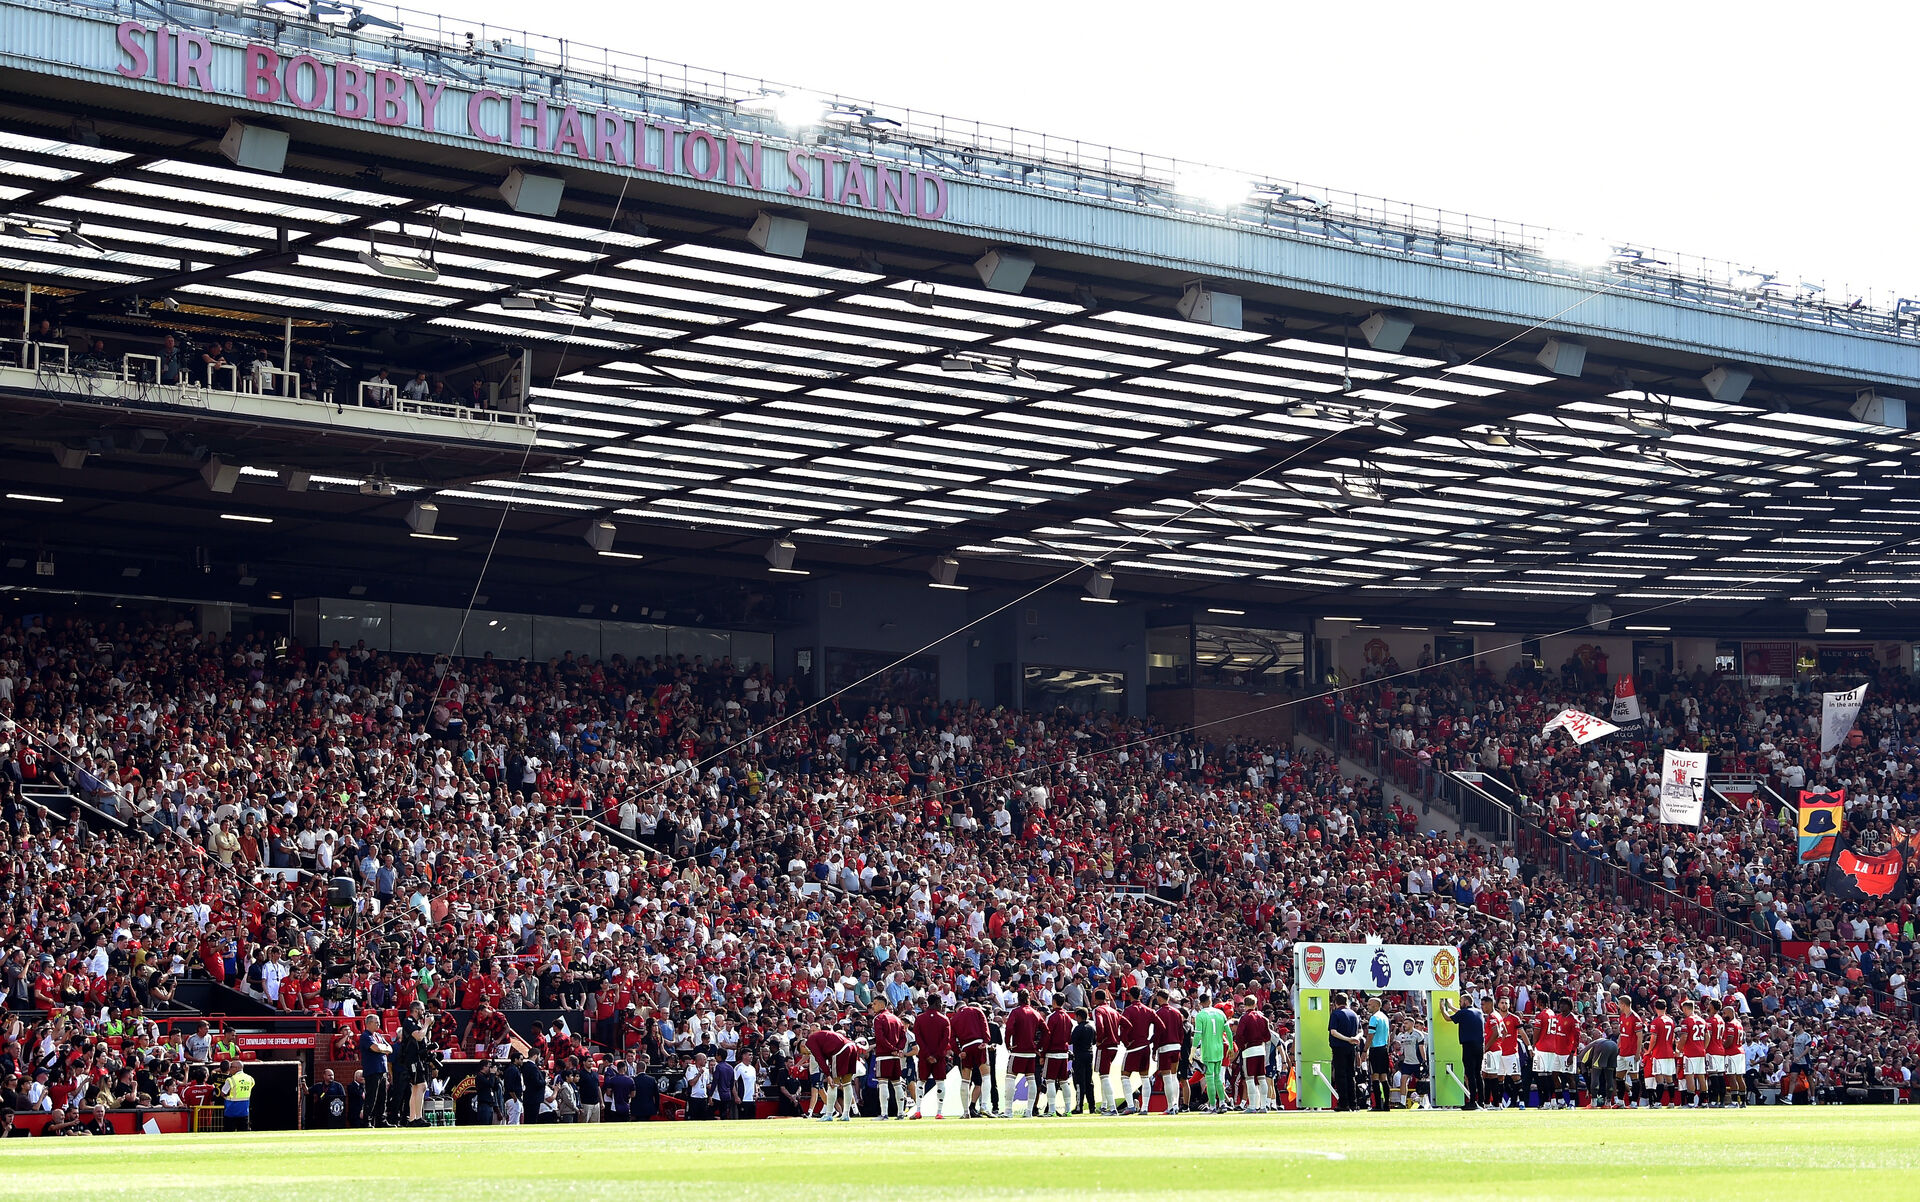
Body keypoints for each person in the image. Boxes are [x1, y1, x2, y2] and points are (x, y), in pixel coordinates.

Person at [804, 1023, 857, 1122]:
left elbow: (820, 1059)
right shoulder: (823, 1036)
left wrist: (828, 1075)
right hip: (852, 1046)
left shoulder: (810, 1041)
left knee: (833, 1083)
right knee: (847, 1083)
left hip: (840, 1050)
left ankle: (828, 1114)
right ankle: (846, 1114)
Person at [910, 994, 951, 1120]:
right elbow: (945, 1040)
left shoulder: (920, 1019)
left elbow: (918, 1038)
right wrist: (937, 1055)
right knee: (940, 1082)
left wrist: (927, 1054)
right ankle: (939, 1112)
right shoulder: (944, 1020)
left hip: (924, 1056)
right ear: (937, 1003)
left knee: (921, 1081)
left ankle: (918, 1110)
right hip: (939, 1057)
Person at [1439, 993, 1483, 1110]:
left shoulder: (1463, 1013)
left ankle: (1473, 1102)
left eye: (1461, 1001)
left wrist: (1443, 1008)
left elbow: (1448, 1018)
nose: (1459, 1003)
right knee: (1478, 1074)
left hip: (1468, 1046)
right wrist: (1452, 1006)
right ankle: (1482, 1101)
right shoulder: (1478, 1012)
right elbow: (1461, 1013)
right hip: (1479, 1046)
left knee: (1470, 1074)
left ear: (1466, 1002)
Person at [949, 994, 990, 1119]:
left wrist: (958, 1051)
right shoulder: (976, 1010)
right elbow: (985, 1025)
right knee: (986, 1075)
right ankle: (984, 1105)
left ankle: (966, 1111)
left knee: (966, 1080)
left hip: (965, 1048)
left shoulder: (954, 1019)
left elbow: (951, 1039)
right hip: (978, 1044)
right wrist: (986, 1041)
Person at [1191, 992, 1232, 1114]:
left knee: (1210, 1078)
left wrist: (1193, 1051)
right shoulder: (1220, 1013)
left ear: (1201, 1003)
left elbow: (1198, 1034)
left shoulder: (1200, 1015)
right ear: (1210, 1001)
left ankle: (1213, 1106)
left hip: (1208, 1049)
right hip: (1219, 1049)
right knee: (1218, 1078)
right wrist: (1230, 1046)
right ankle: (1223, 1103)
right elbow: (1228, 1031)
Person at [870, 997, 910, 1120]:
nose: (873, 1006)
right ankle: (901, 1113)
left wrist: (891, 1048)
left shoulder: (878, 1018)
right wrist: (898, 1049)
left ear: (882, 1005)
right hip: (895, 1056)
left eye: (875, 1003)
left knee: (883, 1083)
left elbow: (880, 1038)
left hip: (884, 1055)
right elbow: (904, 1037)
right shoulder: (897, 1019)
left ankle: (884, 1113)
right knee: (897, 1084)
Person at [1121, 986, 1158, 1115]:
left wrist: (1126, 1042)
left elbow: (1123, 1027)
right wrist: (1150, 1040)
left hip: (1133, 1048)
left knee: (1125, 1076)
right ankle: (1145, 1108)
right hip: (1145, 1046)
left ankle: (1131, 1105)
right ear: (1140, 996)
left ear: (1130, 996)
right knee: (1144, 1076)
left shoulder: (1128, 1010)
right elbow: (1161, 1027)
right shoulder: (1149, 1010)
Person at [1234, 995, 1274, 1113]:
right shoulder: (1263, 1018)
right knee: (1262, 1078)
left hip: (1249, 1050)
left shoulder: (1244, 1018)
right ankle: (1263, 1106)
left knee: (1250, 1078)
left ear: (1245, 1004)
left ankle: (1252, 1106)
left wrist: (1242, 1045)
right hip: (1261, 1049)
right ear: (1255, 1004)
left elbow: (1240, 1034)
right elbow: (1268, 1036)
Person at [1152, 990, 1186, 1117]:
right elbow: (1181, 1031)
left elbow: (1158, 1033)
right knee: (1174, 1076)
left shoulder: (1159, 1013)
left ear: (1160, 998)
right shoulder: (1177, 1012)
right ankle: (1175, 1105)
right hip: (1176, 1046)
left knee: (1167, 1078)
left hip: (1164, 1047)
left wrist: (1154, 1049)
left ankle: (1170, 1106)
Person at [1092, 988, 1125, 1115]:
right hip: (1115, 1046)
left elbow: (1100, 1025)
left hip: (1105, 1046)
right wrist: (1121, 1038)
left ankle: (1112, 1108)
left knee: (1103, 1076)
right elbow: (1126, 1024)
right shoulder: (1113, 1010)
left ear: (1096, 999)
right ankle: (1105, 1105)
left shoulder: (1098, 1010)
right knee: (1104, 1076)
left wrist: (1099, 1039)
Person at [1042, 994, 1076, 1117]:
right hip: (1064, 1053)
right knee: (1064, 1081)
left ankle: (1051, 1110)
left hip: (1052, 1053)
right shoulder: (1068, 1018)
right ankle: (1068, 1110)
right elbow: (1069, 1037)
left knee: (1050, 1081)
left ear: (1054, 1001)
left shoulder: (1051, 1017)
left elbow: (1047, 1037)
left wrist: (1043, 1053)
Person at [1328, 992, 1362, 1113]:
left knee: (1340, 1075)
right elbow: (1360, 1031)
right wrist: (1355, 1038)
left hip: (1339, 1046)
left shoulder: (1336, 1014)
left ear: (1336, 1002)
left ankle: (1343, 1103)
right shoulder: (1354, 1014)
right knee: (1351, 1075)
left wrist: (1347, 1039)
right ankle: (1353, 1103)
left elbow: (1333, 1032)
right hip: (1351, 1047)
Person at [358, 1019, 392, 1127]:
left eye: (378, 1022)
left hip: (382, 1070)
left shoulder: (378, 1035)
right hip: (372, 1070)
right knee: (371, 1097)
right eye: (376, 1022)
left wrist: (381, 1048)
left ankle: (381, 1120)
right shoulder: (365, 1036)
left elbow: (390, 1048)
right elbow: (375, 1048)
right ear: (368, 1023)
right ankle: (366, 1121)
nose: (379, 1024)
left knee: (383, 1098)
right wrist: (382, 1048)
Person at [1646, 997, 1679, 1109]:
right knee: (1669, 1079)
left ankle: (1658, 1103)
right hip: (1669, 1052)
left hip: (1659, 1053)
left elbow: (1653, 1038)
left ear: (1655, 1008)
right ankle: (1672, 1102)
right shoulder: (1671, 1021)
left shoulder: (1656, 1021)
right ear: (1665, 1008)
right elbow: (1673, 1037)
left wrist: (1649, 1051)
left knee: (1659, 1079)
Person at [1364, 996, 1393, 1112]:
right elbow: (1388, 1035)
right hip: (1384, 1048)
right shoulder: (1385, 1017)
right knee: (1384, 1077)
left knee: (1375, 1076)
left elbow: (1370, 1035)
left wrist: (1364, 1050)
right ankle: (1386, 1104)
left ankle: (1378, 1105)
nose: (1367, 1006)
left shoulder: (1374, 1018)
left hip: (1376, 1049)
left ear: (1375, 1006)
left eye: (1369, 1005)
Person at [1070, 1006, 1098, 1115]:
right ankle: (1092, 1106)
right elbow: (1095, 1041)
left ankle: (1079, 1107)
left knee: (1079, 1082)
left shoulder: (1078, 1028)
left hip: (1079, 1056)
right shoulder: (1091, 1028)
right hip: (1089, 1055)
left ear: (1079, 1017)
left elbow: (1071, 1040)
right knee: (1089, 1082)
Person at [220, 1063, 255, 1131]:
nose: (229, 1069)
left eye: (231, 1067)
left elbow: (223, 1093)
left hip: (231, 1111)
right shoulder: (250, 1078)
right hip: (244, 1111)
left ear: (236, 1068)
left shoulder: (231, 1080)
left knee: (228, 1133)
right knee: (243, 1133)